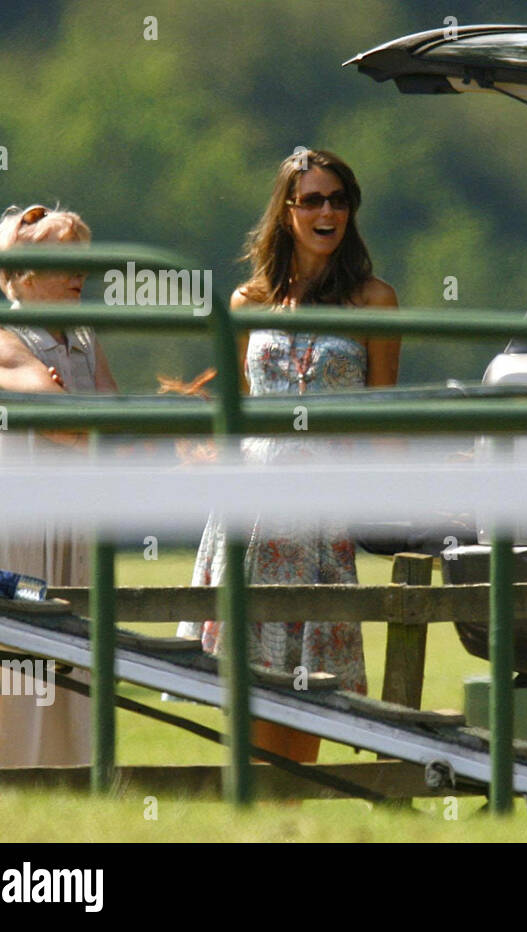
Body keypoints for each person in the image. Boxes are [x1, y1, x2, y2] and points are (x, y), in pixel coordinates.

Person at [179, 150, 399, 763]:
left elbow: (385, 415)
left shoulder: (374, 300)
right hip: (249, 509)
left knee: (311, 681)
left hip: (322, 514)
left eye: (339, 199)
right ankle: (257, 813)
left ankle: (296, 809)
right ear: (287, 211)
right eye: (312, 200)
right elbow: (235, 410)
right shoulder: (247, 302)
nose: (327, 210)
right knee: (244, 679)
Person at [0, 204, 117, 769]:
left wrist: (74, 414)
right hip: (16, 536)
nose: (81, 273)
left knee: (75, 690)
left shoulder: (85, 338)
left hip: (75, 528)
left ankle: (74, 807)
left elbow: (109, 424)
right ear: (22, 272)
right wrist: (74, 414)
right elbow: (65, 422)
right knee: (13, 692)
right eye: (64, 258)